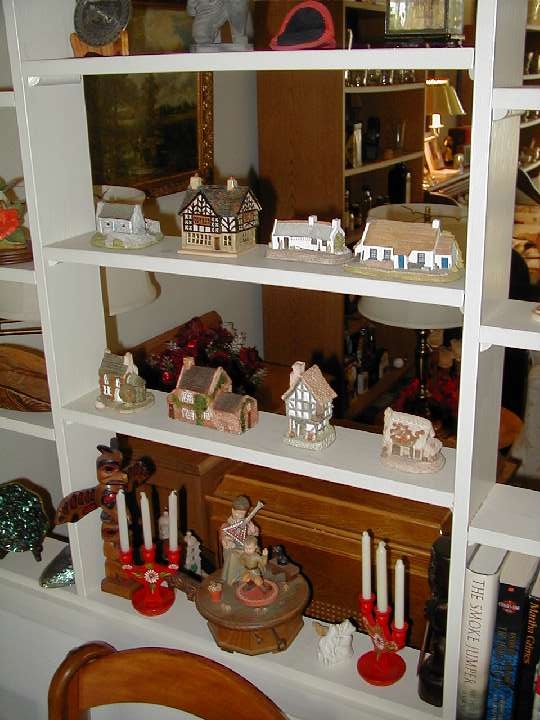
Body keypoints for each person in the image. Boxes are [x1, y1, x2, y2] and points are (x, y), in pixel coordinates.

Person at [219, 495, 259, 584]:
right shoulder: (227, 525)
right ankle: (232, 578)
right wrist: (226, 540)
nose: (239, 516)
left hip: (245, 546)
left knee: (250, 552)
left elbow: (255, 533)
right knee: (233, 555)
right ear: (232, 510)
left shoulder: (247, 522)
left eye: (242, 514)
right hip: (232, 548)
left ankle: (247, 575)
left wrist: (253, 531)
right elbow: (222, 536)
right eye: (237, 513)